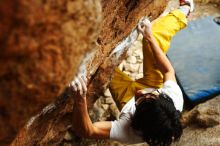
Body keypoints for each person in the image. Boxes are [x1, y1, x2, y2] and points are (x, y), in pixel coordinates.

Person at [70, 0, 194, 146]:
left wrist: (80, 99)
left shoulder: (127, 131)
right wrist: (149, 38)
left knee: (103, 70)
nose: (140, 92)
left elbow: (87, 131)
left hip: (126, 96)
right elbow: (167, 70)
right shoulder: (173, 98)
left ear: (135, 120)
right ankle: (185, 8)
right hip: (154, 84)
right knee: (156, 33)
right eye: (150, 96)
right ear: (163, 99)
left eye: (140, 101)